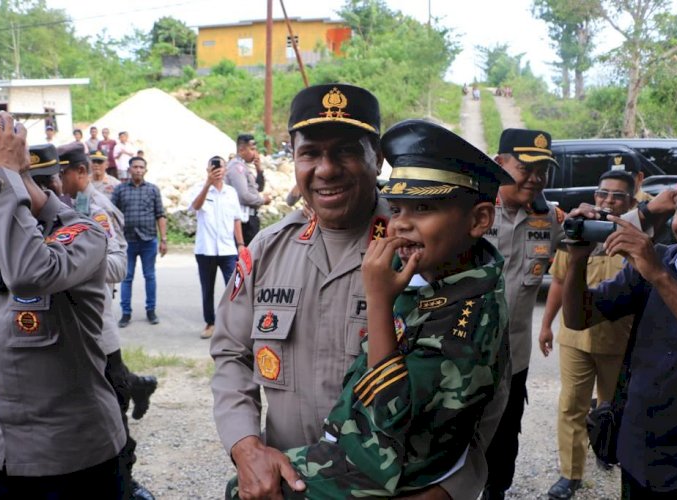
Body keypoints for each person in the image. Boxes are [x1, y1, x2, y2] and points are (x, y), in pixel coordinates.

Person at [212, 84, 496, 500]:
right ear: (294, 158)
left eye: (345, 151)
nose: (326, 169)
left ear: (376, 157)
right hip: (289, 483)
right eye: (310, 153)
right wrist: (246, 447)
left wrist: (451, 488)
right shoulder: (268, 250)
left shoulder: (426, 245)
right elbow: (231, 354)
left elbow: (482, 384)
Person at [0, 111, 126, 497]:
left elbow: (31, 273)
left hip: (69, 457)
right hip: (4, 447)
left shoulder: (82, 231)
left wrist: (4, 177)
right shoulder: (9, 235)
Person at [562, 162, 677, 498]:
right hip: (640, 457)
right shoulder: (662, 259)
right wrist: (578, 259)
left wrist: (660, 277)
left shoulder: (657, 268)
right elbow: (579, 318)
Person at [57, 143, 159, 499]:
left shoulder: (98, 210)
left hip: (95, 323)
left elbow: (118, 266)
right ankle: (138, 384)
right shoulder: (60, 205)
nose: (57, 179)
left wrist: (78, 264)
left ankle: (127, 482)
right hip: (69, 326)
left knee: (112, 409)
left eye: (62, 172)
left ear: (80, 172)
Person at [539, 170, 636, 499]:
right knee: (571, 406)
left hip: (617, 342)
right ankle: (571, 474)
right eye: (603, 193)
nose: (608, 200)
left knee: (612, 408)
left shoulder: (635, 237)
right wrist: (545, 324)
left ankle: (610, 454)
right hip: (574, 340)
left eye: (617, 196)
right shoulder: (578, 231)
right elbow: (560, 282)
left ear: (632, 202)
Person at [482, 128, 565, 500]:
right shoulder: (471, 209)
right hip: (460, 356)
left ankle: (496, 492)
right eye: (525, 167)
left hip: (514, 359)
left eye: (542, 170)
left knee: (505, 435)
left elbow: (595, 238)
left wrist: (648, 212)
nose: (534, 178)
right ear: (499, 164)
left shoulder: (548, 220)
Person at [189, 155, 244, 340]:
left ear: (226, 170)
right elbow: (195, 206)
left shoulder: (231, 192)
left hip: (228, 249)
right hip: (206, 250)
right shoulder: (200, 189)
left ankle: (233, 324)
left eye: (220, 167)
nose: (218, 171)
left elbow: (236, 219)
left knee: (234, 287)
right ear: (208, 170)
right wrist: (207, 185)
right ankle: (210, 323)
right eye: (214, 168)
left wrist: (241, 244)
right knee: (208, 289)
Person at [112, 156, 167, 327]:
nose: (138, 170)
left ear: (145, 170)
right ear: (129, 169)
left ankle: (151, 311)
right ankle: (126, 313)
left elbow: (160, 215)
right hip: (127, 242)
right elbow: (112, 215)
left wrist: (163, 239)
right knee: (127, 278)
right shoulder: (120, 190)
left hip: (148, 240)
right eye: (134, 167)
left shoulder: (153, 190)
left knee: (149, 276)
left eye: (141, 167)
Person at [225, 133, 271, 245]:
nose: (255, 153)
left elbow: (258, 188)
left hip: (249, 218)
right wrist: (262, 201)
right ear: (241, 149)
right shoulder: (237, 167)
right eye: (252, 149)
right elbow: (243, 196)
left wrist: (259, 169)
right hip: (244, 221)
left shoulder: (243, 166)